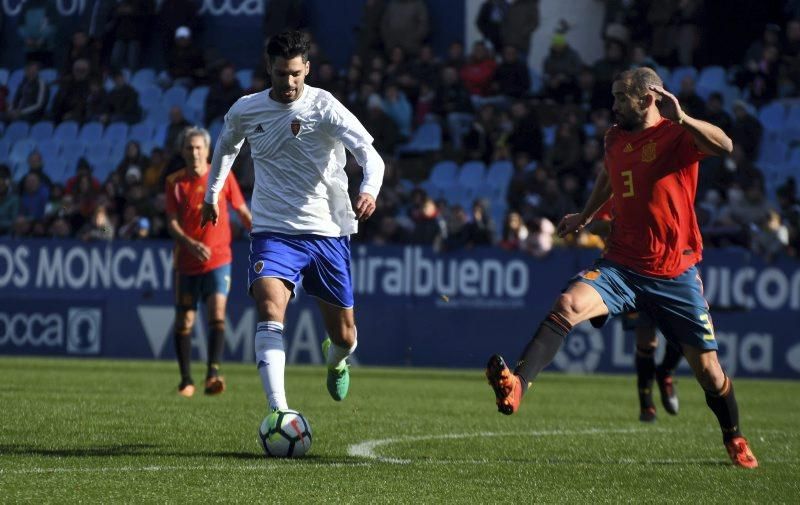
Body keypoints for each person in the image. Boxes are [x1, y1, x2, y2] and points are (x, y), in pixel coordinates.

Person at [485, 67, 759, 468]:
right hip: (622, 264)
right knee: (567, 305)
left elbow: (726, 145)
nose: (612, 106)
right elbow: (610, 178)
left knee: (709, 372)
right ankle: (517, 386)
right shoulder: (615, 137)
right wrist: (585, 215)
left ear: (647, 99)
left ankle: (733, 437)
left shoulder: (676, 135)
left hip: (673, 272)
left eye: (619, 98)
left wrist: (683, 118)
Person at [201, 31, 384, 414]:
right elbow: (225, 148)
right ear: (269, 68)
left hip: (326, 233)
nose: (289, 82)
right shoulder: (246, 109)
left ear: (307, 70)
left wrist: (368, 190)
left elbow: (370, 154)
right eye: (282, 74)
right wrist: (212, 194)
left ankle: (335, 360)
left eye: (297, 74)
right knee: (270, 309)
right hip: (273, 230)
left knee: (346, 337)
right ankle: (280, 412)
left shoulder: (325, 106)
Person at [166, 127, 252, 398]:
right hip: (187, 262)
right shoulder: (175, 183)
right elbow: (171, 223)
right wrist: (190, 244)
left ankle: (213, 373)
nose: (194, 152)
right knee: (185, 320)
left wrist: (260, 234)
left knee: (216, 313)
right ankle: (186, 380)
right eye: (189, 148)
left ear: (207, 149)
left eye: (198, 147)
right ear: (183, 151)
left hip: (219, 259)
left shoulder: (223, 176)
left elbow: (241, 209)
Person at [587, 201, 683, 423]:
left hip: (669, 267)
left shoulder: (656, 183)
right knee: (646, 341)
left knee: (684, 337)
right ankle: (646, 404)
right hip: (628, 271)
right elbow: (595, 226)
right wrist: (622, 225)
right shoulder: (612, 192)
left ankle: (665, 372)